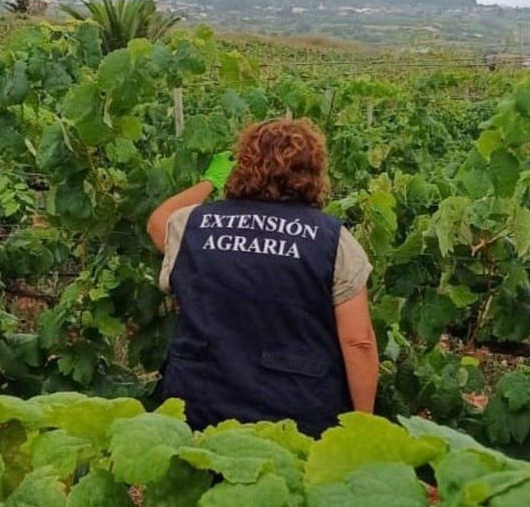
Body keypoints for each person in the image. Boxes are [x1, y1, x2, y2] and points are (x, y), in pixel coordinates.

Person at [146, 117, 379, 436]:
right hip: (293, 415)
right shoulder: (334, 240)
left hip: (200, 406)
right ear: (314, 173)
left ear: (241, 166)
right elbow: (359, 341)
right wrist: (363, 425)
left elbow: (158, 221)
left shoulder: (191, 225)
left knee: (202, 481)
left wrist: (210, 182)